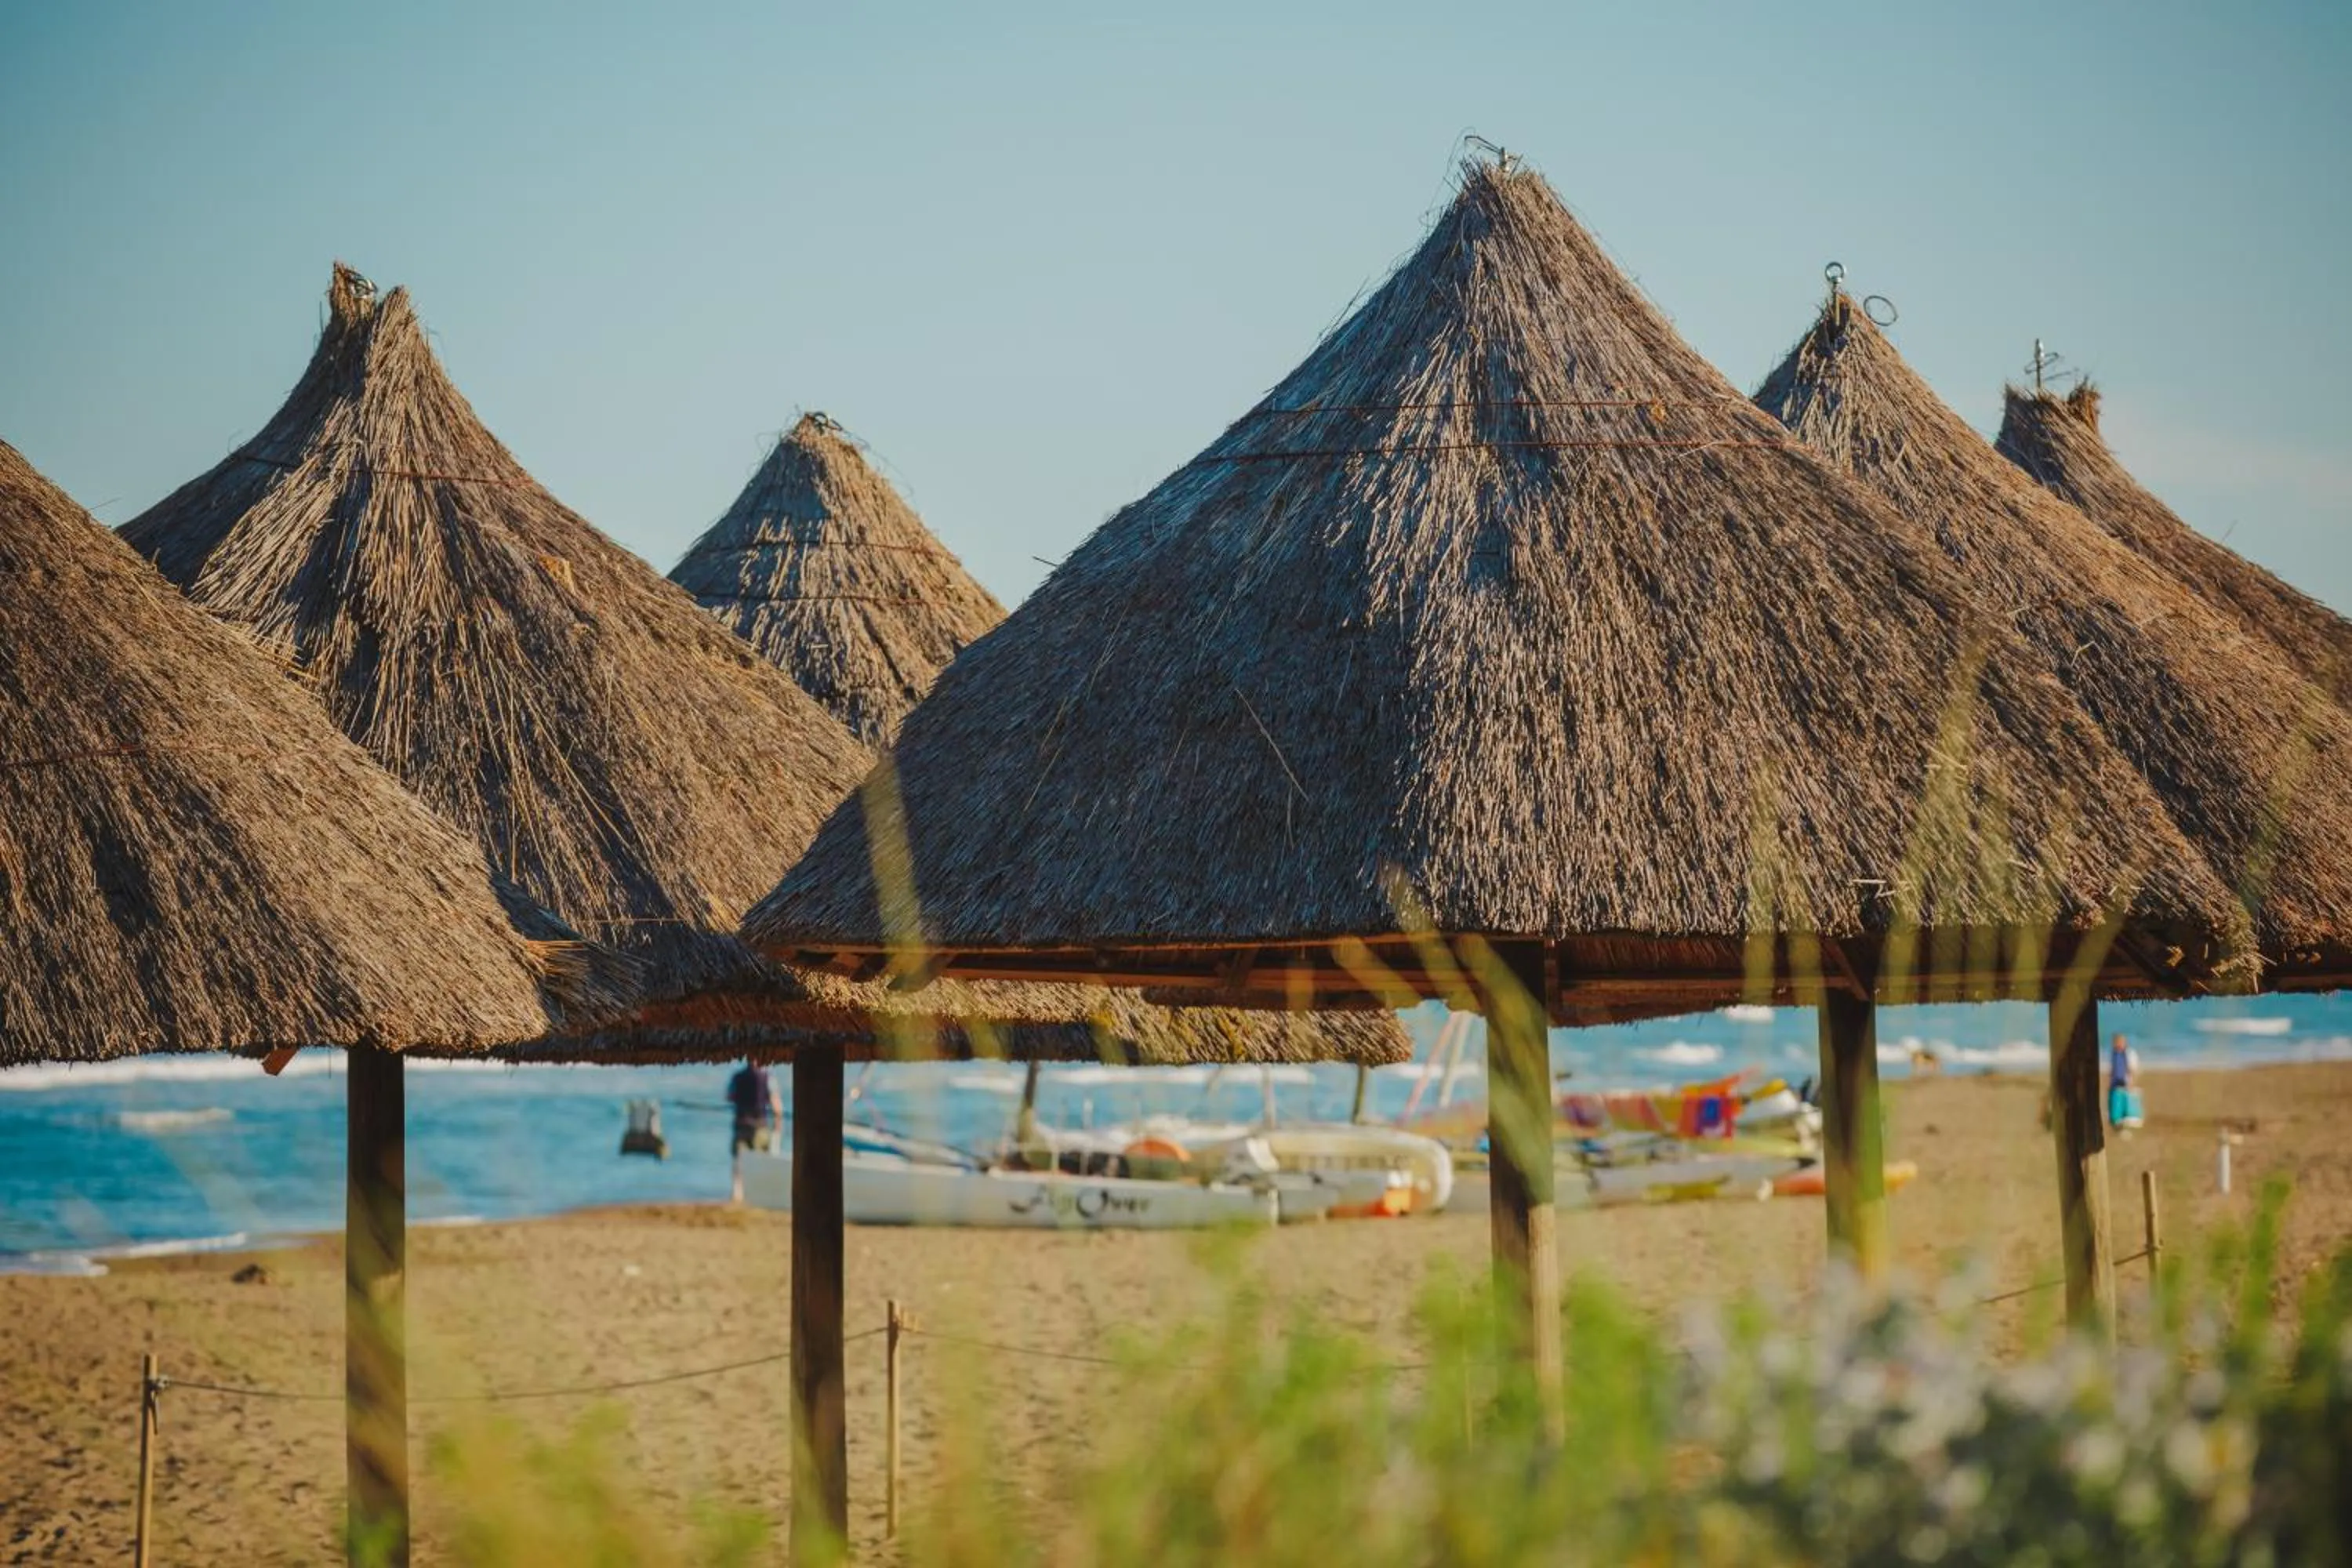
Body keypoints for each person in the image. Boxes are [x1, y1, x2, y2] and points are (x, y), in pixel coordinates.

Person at [727, 1059, 782, 1202]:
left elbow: (730, 1096)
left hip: (742, 1123)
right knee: (759, 1160)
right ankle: (757, 1192)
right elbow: (775, 1103)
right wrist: (778, 1123)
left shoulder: (737, 1077)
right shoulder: (768, 1078)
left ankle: (737, 1194)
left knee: (739, 1161)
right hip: (759, 1125)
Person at [2107, 1031, 2144, 1131]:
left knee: (2126, 1102)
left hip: (2125, 1081)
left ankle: (2126, 1122)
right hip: (2116, 1081)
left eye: (2120, 1041)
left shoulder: (2128, 1053)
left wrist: (2131, 1081)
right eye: (2116, 1042)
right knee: (2115, 1101)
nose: (2117, 1044)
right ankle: (2116, 1123)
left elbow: (2132, 1069)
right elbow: (2114, 1068)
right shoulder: (2114, 1053)